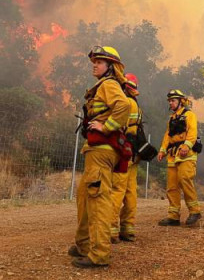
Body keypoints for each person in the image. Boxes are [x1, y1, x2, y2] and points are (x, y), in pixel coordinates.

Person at [68, 46, 130, 269]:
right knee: (85, 197)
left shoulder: (109, 84)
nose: (94, 65)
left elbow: (124, 106)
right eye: (94, 61)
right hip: (95, 150)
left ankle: (99, 254)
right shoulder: (103, 85)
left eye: (100, 62)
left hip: (102, 150)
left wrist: (106, 127)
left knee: (98, 200)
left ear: (111, 67)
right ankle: (84, 245)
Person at [157, 89, 202, 227]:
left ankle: (195, 211)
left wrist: (187, 146)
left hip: (186, 155)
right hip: (173, 155)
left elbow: (192, 132)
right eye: (169, 101)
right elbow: (167, 136)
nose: (170, 103)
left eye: (173, 100)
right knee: (172, 186)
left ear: (181, 101)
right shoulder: (172, 118)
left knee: (184, 179)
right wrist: (162, 150)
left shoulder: (189, 115)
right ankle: (173, 216)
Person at [110, 73, 142, 243]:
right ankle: (127, 228)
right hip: (134, 154)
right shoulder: (136, 104)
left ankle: (110, 230)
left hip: (124, 153)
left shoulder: (125, 103)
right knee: (130, 192)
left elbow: (117, 127)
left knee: (117, 190)